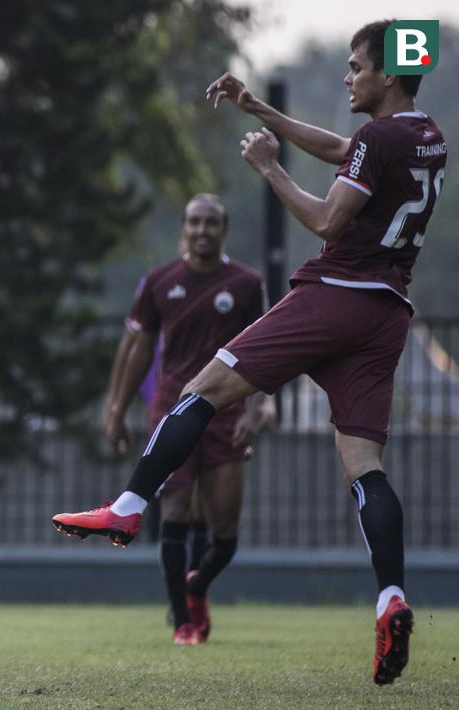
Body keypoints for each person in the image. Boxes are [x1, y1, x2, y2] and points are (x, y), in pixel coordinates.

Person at [54, 20, 445, 684]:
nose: (348, 76)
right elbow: (342, 150)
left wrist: (267, 166)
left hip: (334, 295)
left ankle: (126, 509)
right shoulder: (425, 134)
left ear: (386, 76)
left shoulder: (377, 137)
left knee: (198, 391)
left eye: (356, 67)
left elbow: (326, 218)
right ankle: (389, 597)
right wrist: (257, 106)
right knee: (363, 464)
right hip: (385, 314)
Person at [102, 194, 275, 645]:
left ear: (225, 229)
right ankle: (182, 621)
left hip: (227, 412)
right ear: (183, 228)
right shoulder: (160, 281)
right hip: (172, 407)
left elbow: (269, 348)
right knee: (175, 509)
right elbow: (136, 347)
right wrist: (116, 408)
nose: (202, 230)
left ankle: (196, 588)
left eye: (211, 223)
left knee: (225, 532)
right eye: (195, 222)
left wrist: (262, 405)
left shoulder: (246, 283)